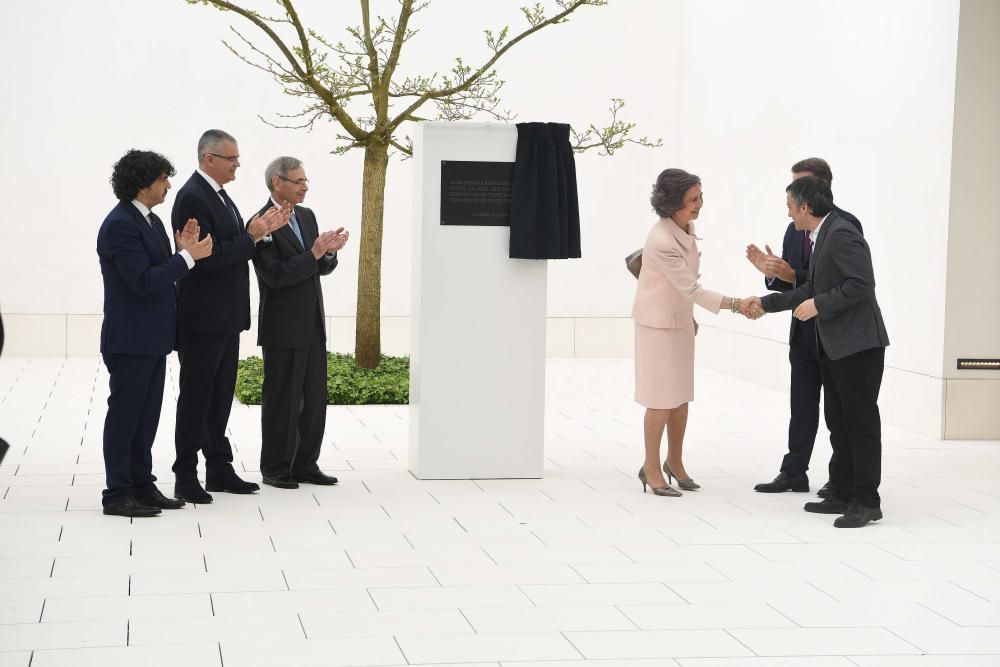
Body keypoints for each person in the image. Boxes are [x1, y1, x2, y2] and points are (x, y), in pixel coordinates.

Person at [746, 176, 889, 528]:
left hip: (858, 345)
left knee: (860, 424)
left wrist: (819, 305)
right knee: (838, 423)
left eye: (790, 208)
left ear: (805, 207)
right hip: (836, 345)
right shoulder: (821, 233)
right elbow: (810, 285)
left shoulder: (840, 232)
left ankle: (867, 501)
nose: (789, 214)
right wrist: (765, 303)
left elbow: (861, 284)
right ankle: (841, 491)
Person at [171, 129, 289, 503]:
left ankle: (218, 468)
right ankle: (185, 475)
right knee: (196, 397)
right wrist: (251, 237)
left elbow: (233, 246)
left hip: (225, 315)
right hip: (203, 316)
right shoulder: (192, 196)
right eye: (231, 158)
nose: (238, 164)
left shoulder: (220, 196)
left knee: (220, 396)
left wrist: (263, 232)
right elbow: (206, 258)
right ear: (209, 159)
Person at [97, 149, 213, 517]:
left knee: (146, 417)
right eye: (163, 179)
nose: (168, 186)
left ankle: (142, 485)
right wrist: (188, 257)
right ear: (142, 183)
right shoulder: (120, 224)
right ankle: (117, 492)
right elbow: (142, 282)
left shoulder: (151, 221)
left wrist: (181, 251)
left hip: (153, 338)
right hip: (130, 339)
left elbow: (161, 269)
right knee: (125, 416)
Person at [632, 168, 757, 497]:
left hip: (680, 322)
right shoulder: (661, 239)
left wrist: (689, 318)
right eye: (693, 199)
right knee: (660, 400)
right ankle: (651, 467)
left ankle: (675, 462)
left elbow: (683, 292)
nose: (700, 204)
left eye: (700, 197)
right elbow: (691, 289)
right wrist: (737, 304)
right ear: (672, 202)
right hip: (658, 327)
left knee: (680, 398)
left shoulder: (685, 227)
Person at [253, 157, 349, 489]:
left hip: (312, 324)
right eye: (298, 181)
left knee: (314, 397)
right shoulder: (260, 223)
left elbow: (318, 268)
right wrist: (314, 253)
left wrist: (329, 253)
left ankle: (306, 463)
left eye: (306, 181)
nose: (305, 187)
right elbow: (275, 275)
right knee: (283, 398)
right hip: (282, 326)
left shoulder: (306, 216)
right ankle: (276, 467)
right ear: (277, 183)